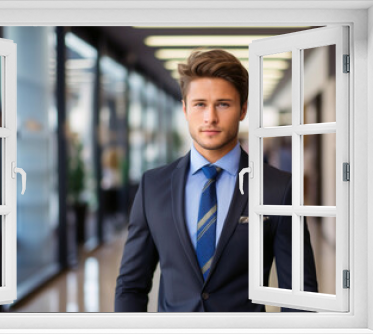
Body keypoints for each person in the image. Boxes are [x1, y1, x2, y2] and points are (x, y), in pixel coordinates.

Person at [114, 49, 318, 312]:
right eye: (200, 104)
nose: (210, 117)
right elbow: (131, 286)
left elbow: (299, 295)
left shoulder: (278, 188)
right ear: (185, 109)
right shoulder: (153, 186)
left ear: (243, 109)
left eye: (223, 104)